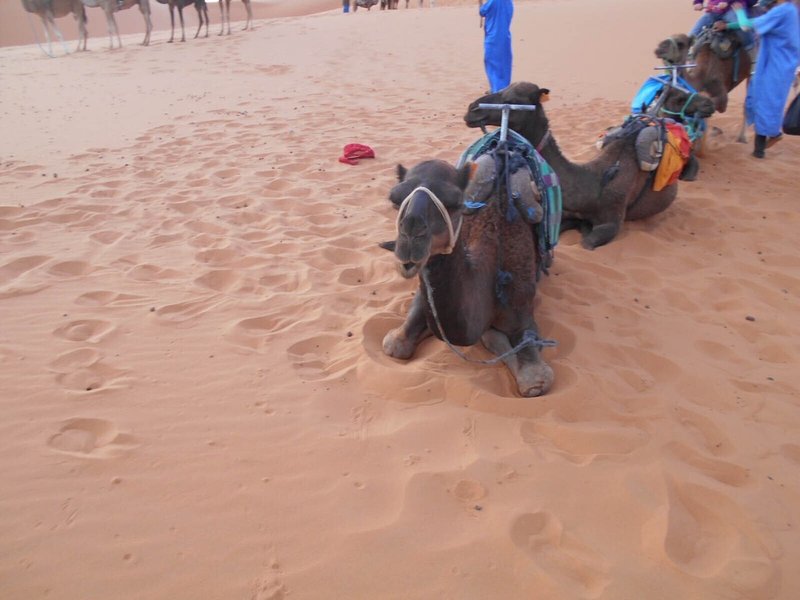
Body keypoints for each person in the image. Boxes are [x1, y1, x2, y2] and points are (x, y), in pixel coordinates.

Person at [715, 0, 800, 157]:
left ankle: (762, 146)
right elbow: (757, 22)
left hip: (777, 64)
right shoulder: (789, 10)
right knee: (761, 99)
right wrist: (728, 26)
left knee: (766, 102)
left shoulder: (782, 11)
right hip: (775, 63)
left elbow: (747, 25)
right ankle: (764, 142)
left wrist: (739, 11)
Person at [689, 0, 758, 49]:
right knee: (693, 33)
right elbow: (698, 2)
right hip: (714, 11)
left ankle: (749, 47)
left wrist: (727, 2)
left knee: (742, 29)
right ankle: (689, 56)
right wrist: (698, 3)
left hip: (733, 8)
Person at [479, 0, 514, 93]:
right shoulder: (509, 2)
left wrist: (481, 6)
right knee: (504, 62)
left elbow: (482, 11)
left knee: (492, 62)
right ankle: (501, 87)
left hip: (494, 37)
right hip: (505, 37)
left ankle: (497, 89)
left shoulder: (493, 1)